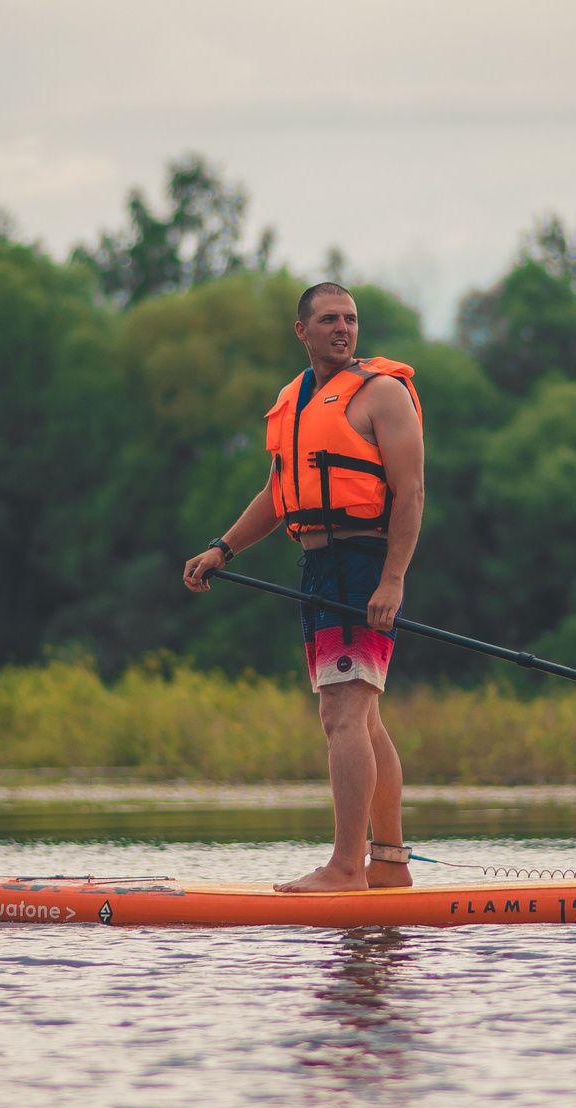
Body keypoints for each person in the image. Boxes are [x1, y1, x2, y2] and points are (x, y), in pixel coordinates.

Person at [182, 282, 424, 892]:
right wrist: (223, 547)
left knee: (345, 712)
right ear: (302, 330)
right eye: (329, 320)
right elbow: (276, 493)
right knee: (357, 715)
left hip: (364, 563)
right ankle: (389, 864)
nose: (343, 328)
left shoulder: (384, 394)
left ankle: (346, 868)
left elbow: (411, 492)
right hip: (317, 569)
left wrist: (392, 581)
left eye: (351, 319)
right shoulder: (294, 401)